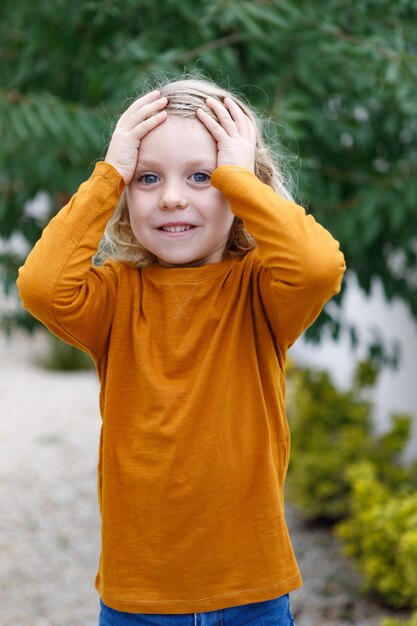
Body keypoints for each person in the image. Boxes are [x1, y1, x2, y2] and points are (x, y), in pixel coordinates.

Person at [17, 76, 346, 626]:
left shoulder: (261, 292)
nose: (172, 196)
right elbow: (42, 286)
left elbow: (319, 266)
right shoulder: (115, 297)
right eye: (147, 177)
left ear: (243, 189)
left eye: (203, 175)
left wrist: (239, 175)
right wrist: (110, 173)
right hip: (138, 601)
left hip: (253, 594)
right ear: (126, 195)